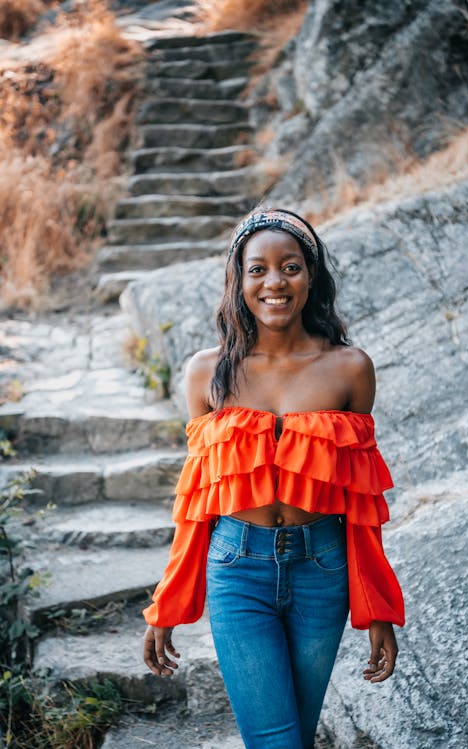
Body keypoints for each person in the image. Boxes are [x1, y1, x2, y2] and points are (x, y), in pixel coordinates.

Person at [143, 208, 405, 749]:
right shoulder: (205, 373)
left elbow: (361, 503)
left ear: (312, 276)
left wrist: (377, 607)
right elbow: (198, 501)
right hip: (238, 569)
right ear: (238, 282)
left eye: (290, 267)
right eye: (256, 269)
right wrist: (169, 603)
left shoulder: (350, 369)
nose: (274, 283)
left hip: (323, 570)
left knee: (296, 738)